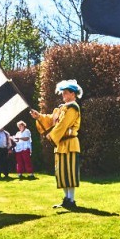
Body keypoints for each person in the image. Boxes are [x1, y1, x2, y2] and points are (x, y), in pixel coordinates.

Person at [32, 80, 82, 209]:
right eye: (63, 93)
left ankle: (71, 200)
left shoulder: (73, 108)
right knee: (61, 173)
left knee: (69, 172)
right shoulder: (61, 108)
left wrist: (52, 135)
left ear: (73, 94)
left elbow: (63, 124)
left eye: (65, 93)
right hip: (60, 144)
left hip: (70, 143)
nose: (63, 95)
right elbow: (51, 119)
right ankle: (66, 199)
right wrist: (39, 117)